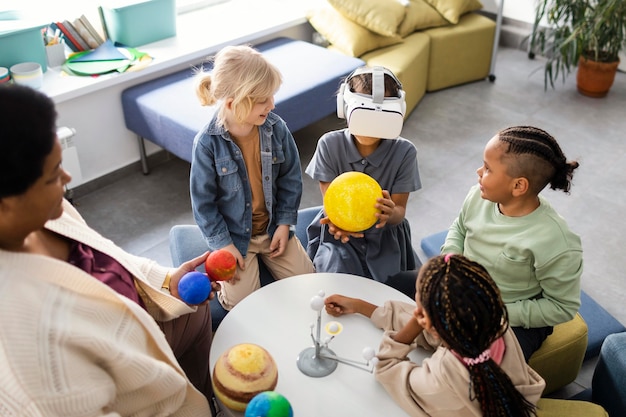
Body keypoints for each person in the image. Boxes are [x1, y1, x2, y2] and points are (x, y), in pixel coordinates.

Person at [0, 84, 213, 416]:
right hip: (150, 397)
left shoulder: (48, 216)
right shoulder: (31, 359)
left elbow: (105, 253)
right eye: (54, 174)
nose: (68, 177)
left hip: (141, 333)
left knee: (196, 313)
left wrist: (164, 280)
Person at [325, 254, 545, 417]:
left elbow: (387, 369)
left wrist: (418, 321)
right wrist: (361, 306)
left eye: (418, 296)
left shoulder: (442, 380)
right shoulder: (496, 326)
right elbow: (436, 334)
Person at [443, 125, 583, 360]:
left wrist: (495, 312)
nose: (478, 172)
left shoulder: (556, 242)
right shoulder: (477, 195)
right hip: (466, 293)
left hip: (514, 319)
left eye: (488, 169)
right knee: (400, 286)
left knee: (479, 366)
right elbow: (459, 228)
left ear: (518, 186)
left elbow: (562, 306)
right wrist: (451, 261)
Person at [191, 44, 314, 310]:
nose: (272, 104)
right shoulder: (206, 144)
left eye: (271, 96)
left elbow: (290, 180)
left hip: (272, 230)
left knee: (310, 286)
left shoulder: (276, 129)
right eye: (263, 100)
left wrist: (284, 224)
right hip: (235, 237)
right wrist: (224, 246)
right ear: (234, 104)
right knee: (242, 307)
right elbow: (204, 205)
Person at [305, 66, 421, 297]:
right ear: (344, 107)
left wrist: (390, 214)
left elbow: (400, 211)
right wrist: (338, 223)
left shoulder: (405, 152)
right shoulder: (329, 144)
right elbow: (331, 202)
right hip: (339, 236)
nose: (369, 127)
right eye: (363, 114)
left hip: (387, 237)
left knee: (387, 295)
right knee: (336, 286)